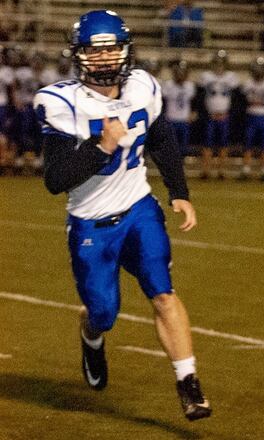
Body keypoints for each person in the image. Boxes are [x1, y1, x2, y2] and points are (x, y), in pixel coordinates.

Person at [34, 10, 211, 421]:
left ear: (125, 50)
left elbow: (161, 138)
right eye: (93, 51)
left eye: (111, 48)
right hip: (91, 223)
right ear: (78, 56)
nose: (104, 58)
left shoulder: (143, 86)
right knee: (103, 314)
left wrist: (179, 192)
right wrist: (101, 148)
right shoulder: (61, 102)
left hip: (138, 210)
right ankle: (91, 337)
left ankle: (188, 382)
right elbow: (55, 180)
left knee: (163, 292)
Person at [199, 50, 238, 179]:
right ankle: (206, 170)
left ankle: (222, 170)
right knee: (207, 144)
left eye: (221, 63)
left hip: (224, 115)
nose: (219, 66)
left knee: (224, 144)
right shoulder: (206, 76)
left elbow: (236, 99)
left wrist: (229, 113)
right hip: (210, 115)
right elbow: (200, 97)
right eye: (217, 63)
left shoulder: (231, 77)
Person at [161, 60, 196, 156]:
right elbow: (162, 101)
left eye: (183, 72)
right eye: (179, 72)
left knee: (183, 146)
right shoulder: (168, 85)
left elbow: (194, 101)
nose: (180, 75)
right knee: (170, 146)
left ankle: (181, 164)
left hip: (184, 120)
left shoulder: (190, 86)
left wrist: (193, 112)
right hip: (171, 119)